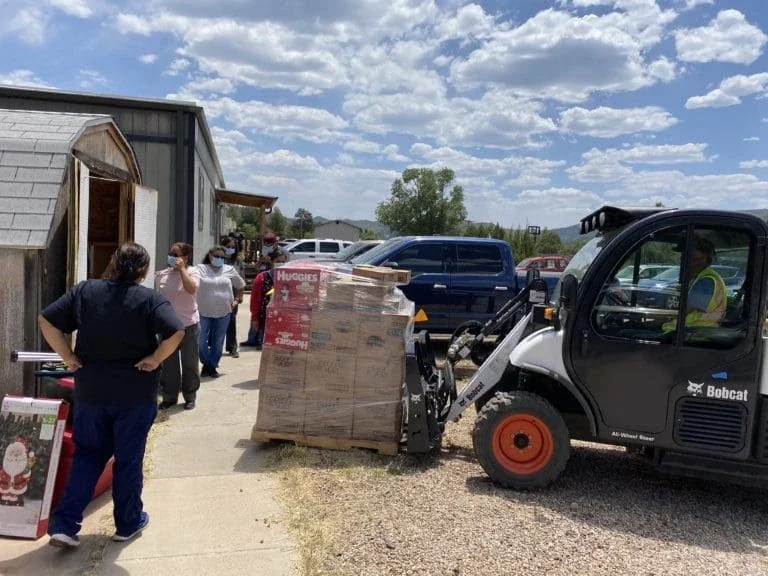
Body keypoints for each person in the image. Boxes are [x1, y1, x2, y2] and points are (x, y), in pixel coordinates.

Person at [38, 242, 185, 549]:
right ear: (143, 270)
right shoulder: (149, 299)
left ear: (114, 262)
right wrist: (156, 359)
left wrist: (67, 356)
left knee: (88, 456)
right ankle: (128, 523)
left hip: (92, 391)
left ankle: (65, 525)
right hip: (136, 393)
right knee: (128, 460)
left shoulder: (86, 292)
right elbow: (176, 331)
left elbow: (47, 320)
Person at [155, 242, 201, 411]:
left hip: (188, 325)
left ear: (185, 257)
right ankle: (169, 396)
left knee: (190, 362)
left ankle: (190, 396)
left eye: (176, 254)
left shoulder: (193, 272)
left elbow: (191, 289)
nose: (172, 257)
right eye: (171, 254)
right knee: (169, 363)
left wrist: (182, 270)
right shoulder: (162, 275)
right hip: (167, 327)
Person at [197, 245, 246, 378]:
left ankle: (211, 367)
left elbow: (241, 285)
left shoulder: (229, 269)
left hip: (224, 312)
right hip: (203, 312)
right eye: (217, 256)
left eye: (222, 257)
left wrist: (237, 300)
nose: (219, 259)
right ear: (210, 255)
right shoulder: (200, 269)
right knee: (200, 341)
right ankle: (208, 363)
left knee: (217, 342)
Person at [663, 236, 727, 333]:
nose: (686, 262)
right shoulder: (703, 277)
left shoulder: (706, 282)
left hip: (691, 334)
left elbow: (683, 312)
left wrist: (656, 318)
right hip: (693, 332)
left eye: (693, 259)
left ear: (704, 261)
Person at [243, 247, 287, 349]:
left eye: (283, 262)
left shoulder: (290, 277)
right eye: (278, 261)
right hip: (264, 318)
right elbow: (255, 301)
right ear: (271, 262)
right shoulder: (262, 277)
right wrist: (254, 318)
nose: (281, 264)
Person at [222, 236, 244, 358]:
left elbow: (242, 277)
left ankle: (232, 347)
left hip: (233, 295)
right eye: (228, 247)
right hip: (218, 295)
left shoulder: (238, 261)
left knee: (231, 320)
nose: (230, 249)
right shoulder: (217, 259)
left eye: (232, 247)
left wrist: (240, 297)